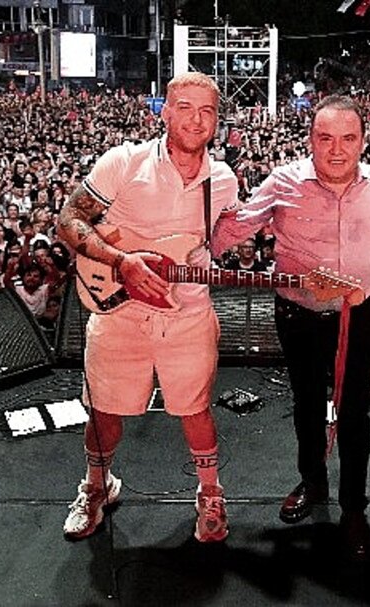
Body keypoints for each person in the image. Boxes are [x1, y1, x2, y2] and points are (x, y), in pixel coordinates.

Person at [211, 95, 370, 560]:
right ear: (310, 139)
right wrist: (180, 236)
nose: (336, 149)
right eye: (325, 138)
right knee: (307, 406)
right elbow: (231, 230)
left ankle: (354, 509)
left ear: (363, 141)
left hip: (358, 315)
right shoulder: (283, 182)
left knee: (354, 415)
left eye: (348, 138)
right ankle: (313, 483)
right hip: (298, 316)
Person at [56, 72, 238, 544]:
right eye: (185, 108)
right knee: (104, 411)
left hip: (188, 313)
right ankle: (97, 486)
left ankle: (211, 493)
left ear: (217, 120)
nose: (196, 120)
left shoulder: (223, 181)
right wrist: (122, 262)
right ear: (165, 112)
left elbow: (219, 238)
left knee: (195, 409)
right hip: (119, 311)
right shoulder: (124, 162)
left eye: (207, 111)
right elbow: (69, 220)